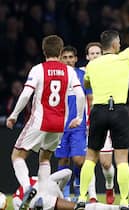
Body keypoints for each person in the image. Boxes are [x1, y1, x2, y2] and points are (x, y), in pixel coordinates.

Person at [77, 7, 129, 210]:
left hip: (99, 110)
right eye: (119, 41)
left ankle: (82, 198)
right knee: (122, 160)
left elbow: (86, 84)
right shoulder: (123, 58)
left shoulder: (92, 65)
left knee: (91, 157)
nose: (121, 43)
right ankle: (125, 202)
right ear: (114, 44)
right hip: (119, 111)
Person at [6, 35, 85, 210]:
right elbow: (80, 95)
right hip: (59, 124)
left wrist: (14, 115)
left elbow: (26, 94)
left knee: (17, 156)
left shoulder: (38, 69)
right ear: (60, 51)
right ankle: (41, 197)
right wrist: (78, 117)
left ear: (44, 51)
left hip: (40, 120)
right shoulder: (69, 71)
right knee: (45, 158)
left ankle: (28, 189)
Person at [55, 45, 96, 202]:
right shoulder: (57, 77)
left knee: (79, 159)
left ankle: (80, 188)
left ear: (76, 59)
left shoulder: (83, 75)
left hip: (78, 125)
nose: (68, 60)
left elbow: (90, 100)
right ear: (60, 59)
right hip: (60, 126)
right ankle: (64, 194)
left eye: (70, 57)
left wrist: (90, 122)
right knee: (63, 159)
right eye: (64, 57)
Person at [12, 169, 129, 210]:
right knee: (83, 207)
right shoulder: (44, 180)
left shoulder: (18, 193)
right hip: (45, 194)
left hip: (21, 200)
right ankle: (126, 209)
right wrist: (62, 192)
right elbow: (67, 172)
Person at [85, 42, 116, 204]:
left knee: (105, 163)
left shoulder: (108, 73)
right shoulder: (82, 74)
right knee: (89, 161)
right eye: (92, 53)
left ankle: (109, 186)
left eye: (98, 53)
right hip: (85, 124)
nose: (95, 56)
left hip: (103, 121)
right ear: (87, 57)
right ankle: (92, 196)